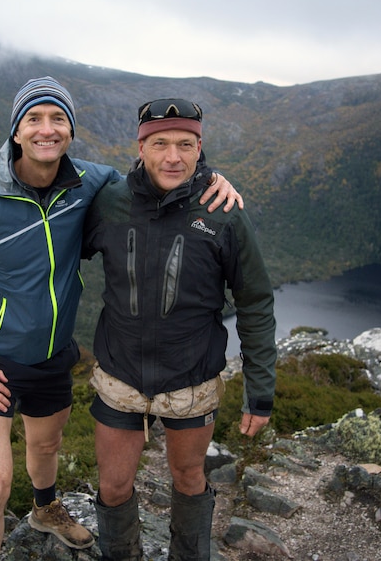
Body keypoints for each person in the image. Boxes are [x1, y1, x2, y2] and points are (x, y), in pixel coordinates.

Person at [0, 78, 242, 561]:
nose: (47, 129)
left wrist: (212, 178)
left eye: (58, 119)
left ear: (70, 130)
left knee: (45, 451)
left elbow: (157, 172)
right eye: (34, 119)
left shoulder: (92, 182)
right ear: (16, 131)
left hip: (52, 360)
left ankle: (45, 509)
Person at [82, 98, 277, 560]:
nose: (173, 156)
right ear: (141, 147)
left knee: (189, 479)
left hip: (191, 379)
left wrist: (260, 390)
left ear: (199, 146)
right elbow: (46, 217)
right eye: (161, 143)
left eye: (185, 144)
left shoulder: (221, 211)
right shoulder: (109, 202)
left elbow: (254, 301)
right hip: (119, 378)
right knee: (113, 485)